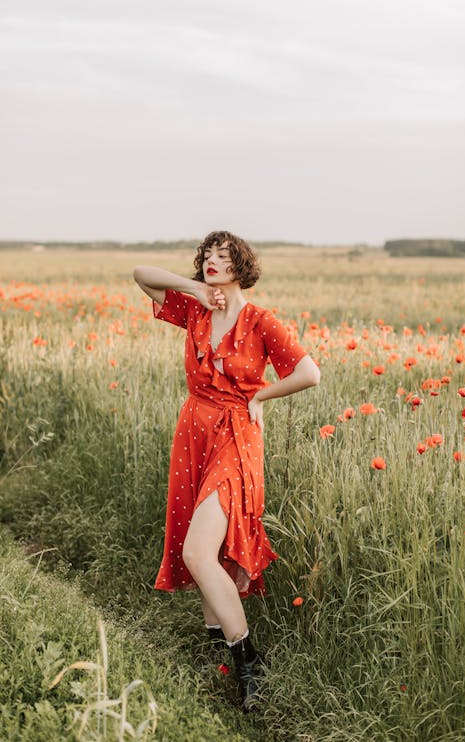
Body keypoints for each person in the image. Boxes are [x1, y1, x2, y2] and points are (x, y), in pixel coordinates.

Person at [133, 231, 320, 711]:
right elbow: (140, 275)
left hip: (236, 438)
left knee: (199, 551)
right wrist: (192, 288)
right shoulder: (195, 310)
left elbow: (308, 373)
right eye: (207, 256)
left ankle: (248, 662)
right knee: (207, 547)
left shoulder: (260, 321)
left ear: (242, 265)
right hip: (193, 433)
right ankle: (219, 649)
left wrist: (260, 395)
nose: (213, 261)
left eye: (224, 255)